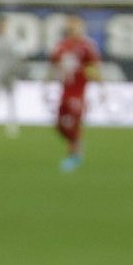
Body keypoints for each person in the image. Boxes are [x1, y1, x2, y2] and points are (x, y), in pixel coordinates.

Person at [49, 16, 100, 172]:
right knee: (58, 126)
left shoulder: (86, 46)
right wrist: (45, 83)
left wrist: (102, 86)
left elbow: (94, 67)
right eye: (71, 27)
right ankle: (76, 142)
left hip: (78, 93)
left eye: (77, 27)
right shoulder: (61, 46)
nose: (74, 29)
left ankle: (74, 155)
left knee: (75, 123)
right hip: (65, 91)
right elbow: (52, 66)